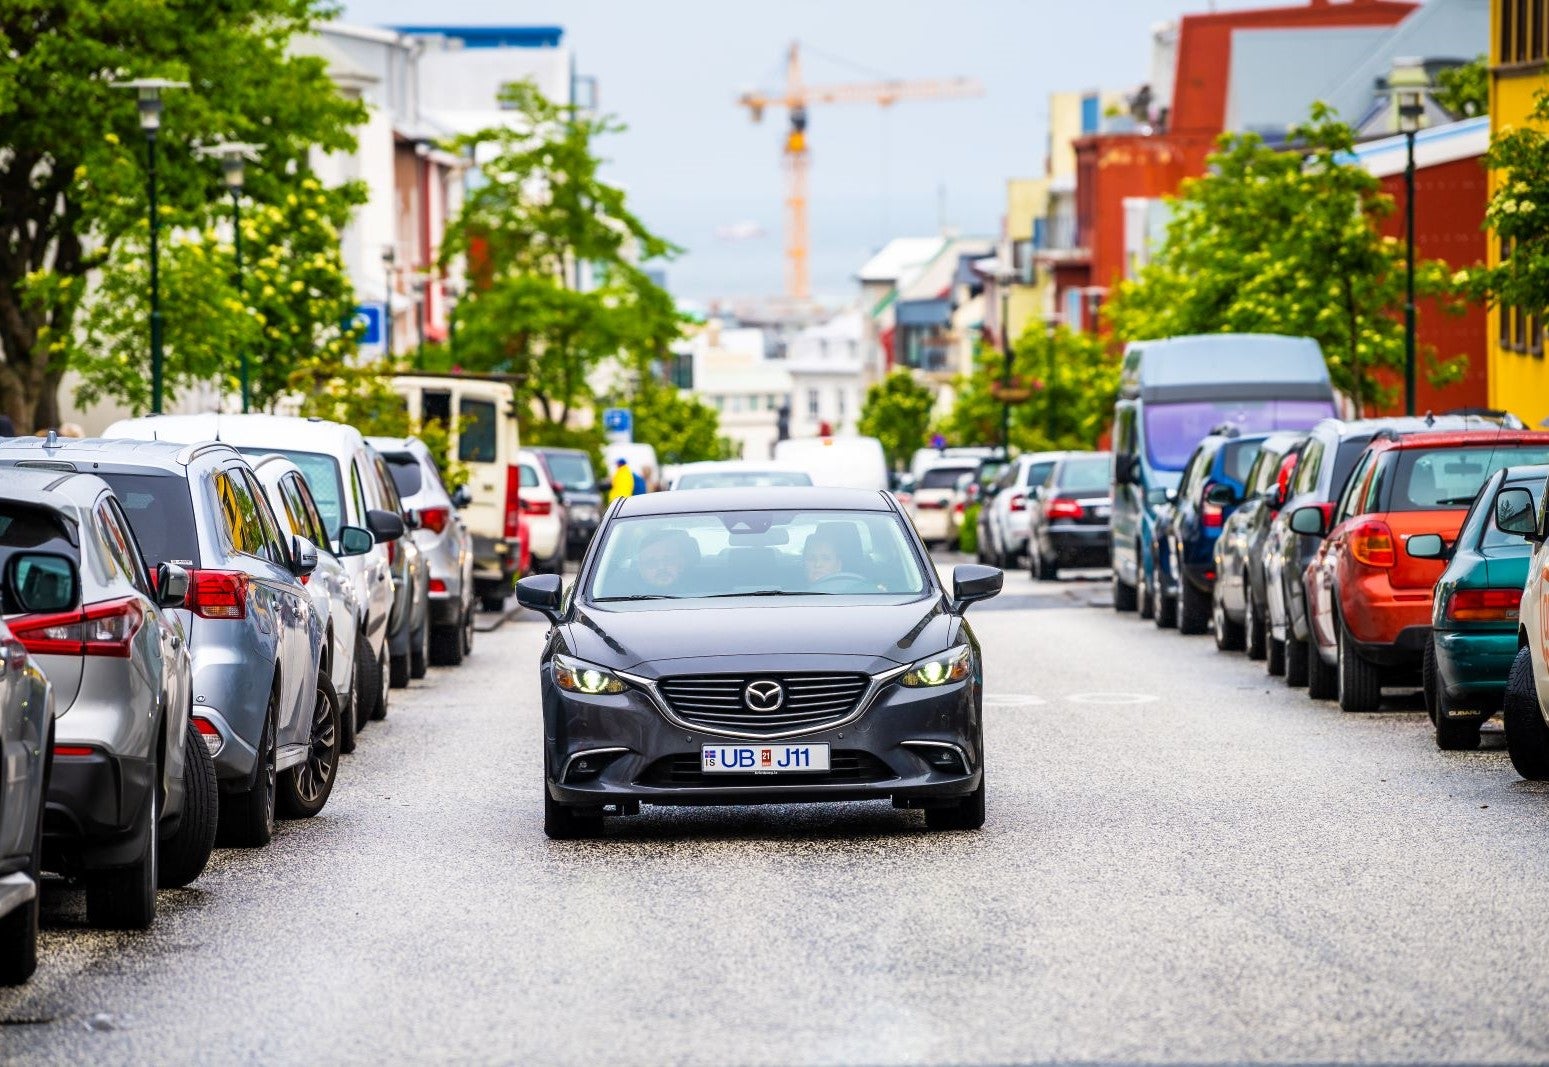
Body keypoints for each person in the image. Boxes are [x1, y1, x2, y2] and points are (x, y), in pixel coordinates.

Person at [633, 529, 698, 592]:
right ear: (641, 569)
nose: (661, 567)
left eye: (668, 560)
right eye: (652, 563)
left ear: (681, 563)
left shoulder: (701, 591)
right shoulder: (625, 594)